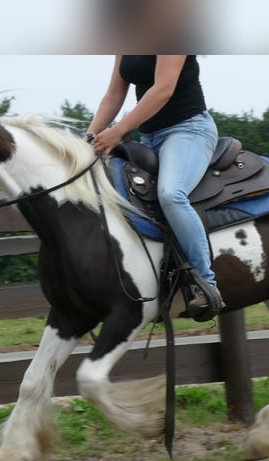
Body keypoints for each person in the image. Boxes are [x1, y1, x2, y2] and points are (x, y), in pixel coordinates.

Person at [87, 55, 223, 319]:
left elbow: (163, 89)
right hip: (148, 136)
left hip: (188, 130)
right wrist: (90, 136)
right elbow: (114, 95)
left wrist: (117, 132)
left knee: (171, 195)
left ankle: (205, 284)